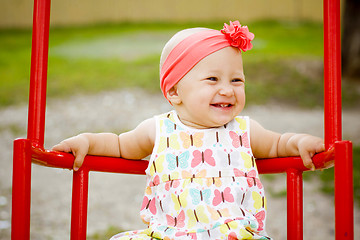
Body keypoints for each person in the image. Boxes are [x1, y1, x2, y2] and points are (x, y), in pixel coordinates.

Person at [52, 21, 325, 239]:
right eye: (212, 79)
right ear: (173, 91)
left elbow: (278, 144)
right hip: (171, 234)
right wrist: (87, 141)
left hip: (233, 235)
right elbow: (120, 145)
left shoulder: (244, 130)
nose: (227, 89)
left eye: (237, 79)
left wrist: (298, 142)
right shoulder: (159, 129)